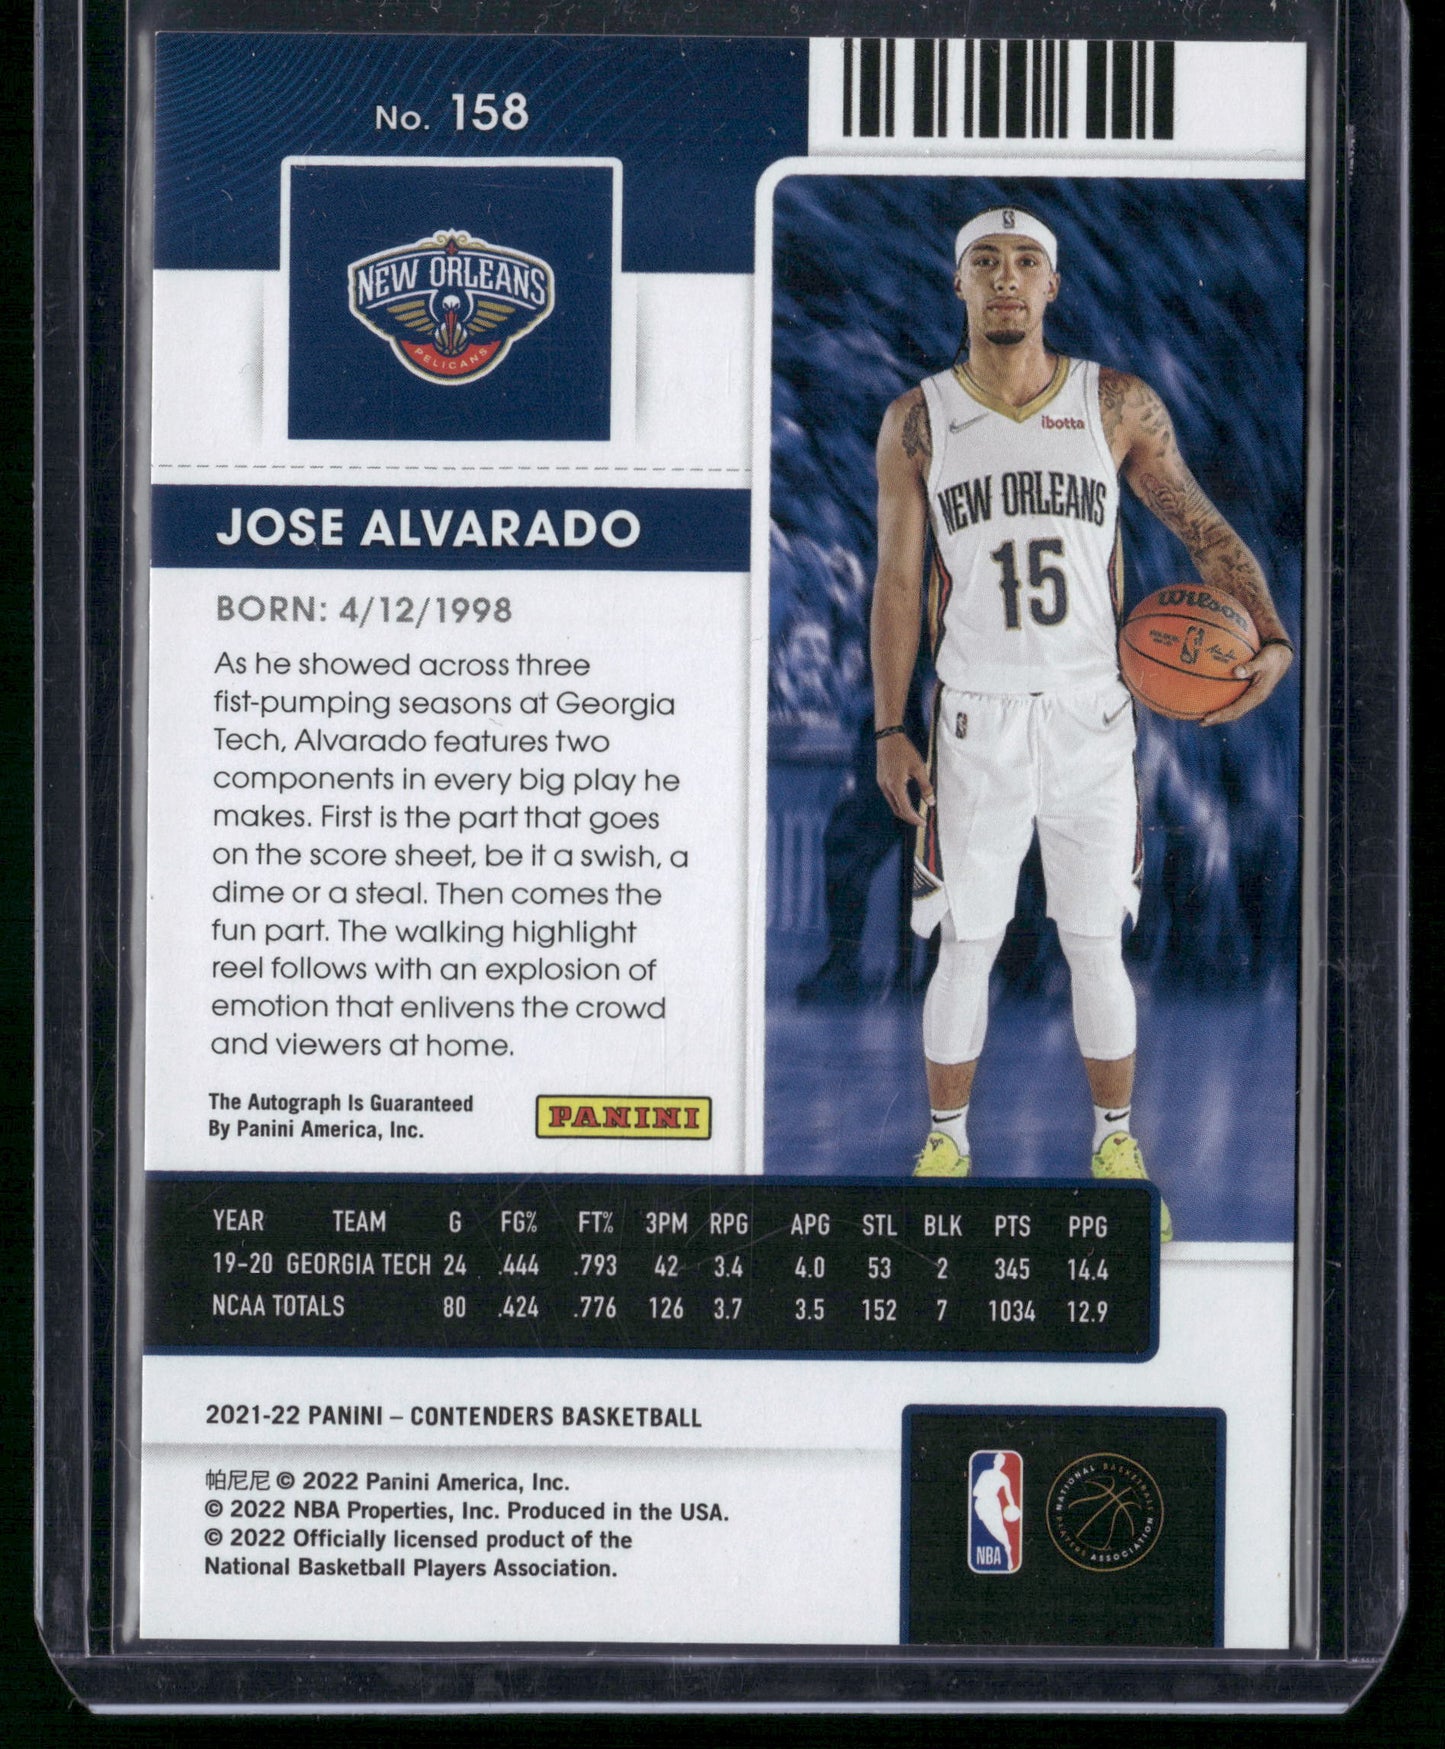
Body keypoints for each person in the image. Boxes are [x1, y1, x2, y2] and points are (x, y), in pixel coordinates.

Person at [870, 206, 1293, 1236]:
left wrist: (1271, 632)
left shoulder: (1113, 404)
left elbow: (1199, 526)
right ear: (958, 283)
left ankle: (1114, 1142)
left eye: (1025, 262)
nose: (1005, 278)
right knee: (966, 941)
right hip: (972, 716)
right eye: (984, 261)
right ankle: (945, 1144)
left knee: (1094, 940)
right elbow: (896, 582)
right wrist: (888, 726)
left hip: (1088, 715)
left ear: (1050, 285)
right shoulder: (918, 418)